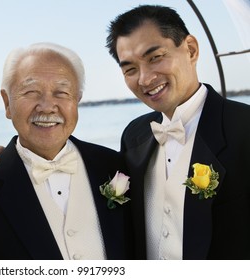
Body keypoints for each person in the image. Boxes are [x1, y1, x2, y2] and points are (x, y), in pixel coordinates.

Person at [0, 42, 131, 260]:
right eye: (31, 92)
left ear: (77, 101)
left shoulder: (117, 167)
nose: (47, 106)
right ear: (7, 103)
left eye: (61, 92)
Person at [105, 5, 250, 259]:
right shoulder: (134, 134)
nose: (145, 78)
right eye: (130, 69)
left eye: (155, 57)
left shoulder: (244, 126)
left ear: (191, 49)